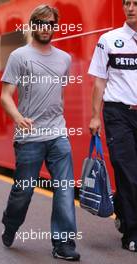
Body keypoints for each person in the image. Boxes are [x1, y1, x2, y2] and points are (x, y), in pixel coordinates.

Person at [0, 4, 80, 261]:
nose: (46, 28)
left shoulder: (64, 58)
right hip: (29, 137)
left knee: (65, 187)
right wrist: (17, 117)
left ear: (55, 27)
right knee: (24, 191)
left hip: (58, 133)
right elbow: (5, 96)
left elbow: (58, 93)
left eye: (50, 24)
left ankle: (63, 242)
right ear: (33, 25)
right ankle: (11, 224)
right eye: (41, 23)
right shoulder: (18, 56)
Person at [88, 0, 137, 252]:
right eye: (127, 3)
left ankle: (120, 205)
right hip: (118, 114)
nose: (130, 7)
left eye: (136, 3)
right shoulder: (109, 40)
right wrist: (95, 116)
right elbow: (99, 81)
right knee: (128, 172)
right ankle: (132, 233)